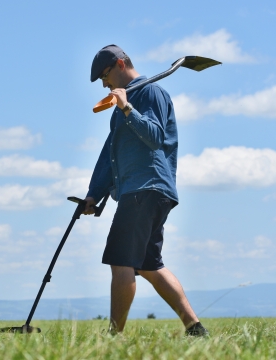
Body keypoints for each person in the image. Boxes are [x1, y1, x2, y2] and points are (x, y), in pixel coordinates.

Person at [83, 44, 208, 337]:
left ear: (120, 64)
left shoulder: (152, 94)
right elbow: (109, 156)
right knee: (150, 265)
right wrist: (94, 193)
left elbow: (154, 137)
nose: (104, 83)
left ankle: (113, 338)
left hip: (146, 187)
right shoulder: (123, 107)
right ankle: (195, 329)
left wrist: (127, 107)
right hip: (140, 191)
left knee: (121, 261)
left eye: (105, 75)